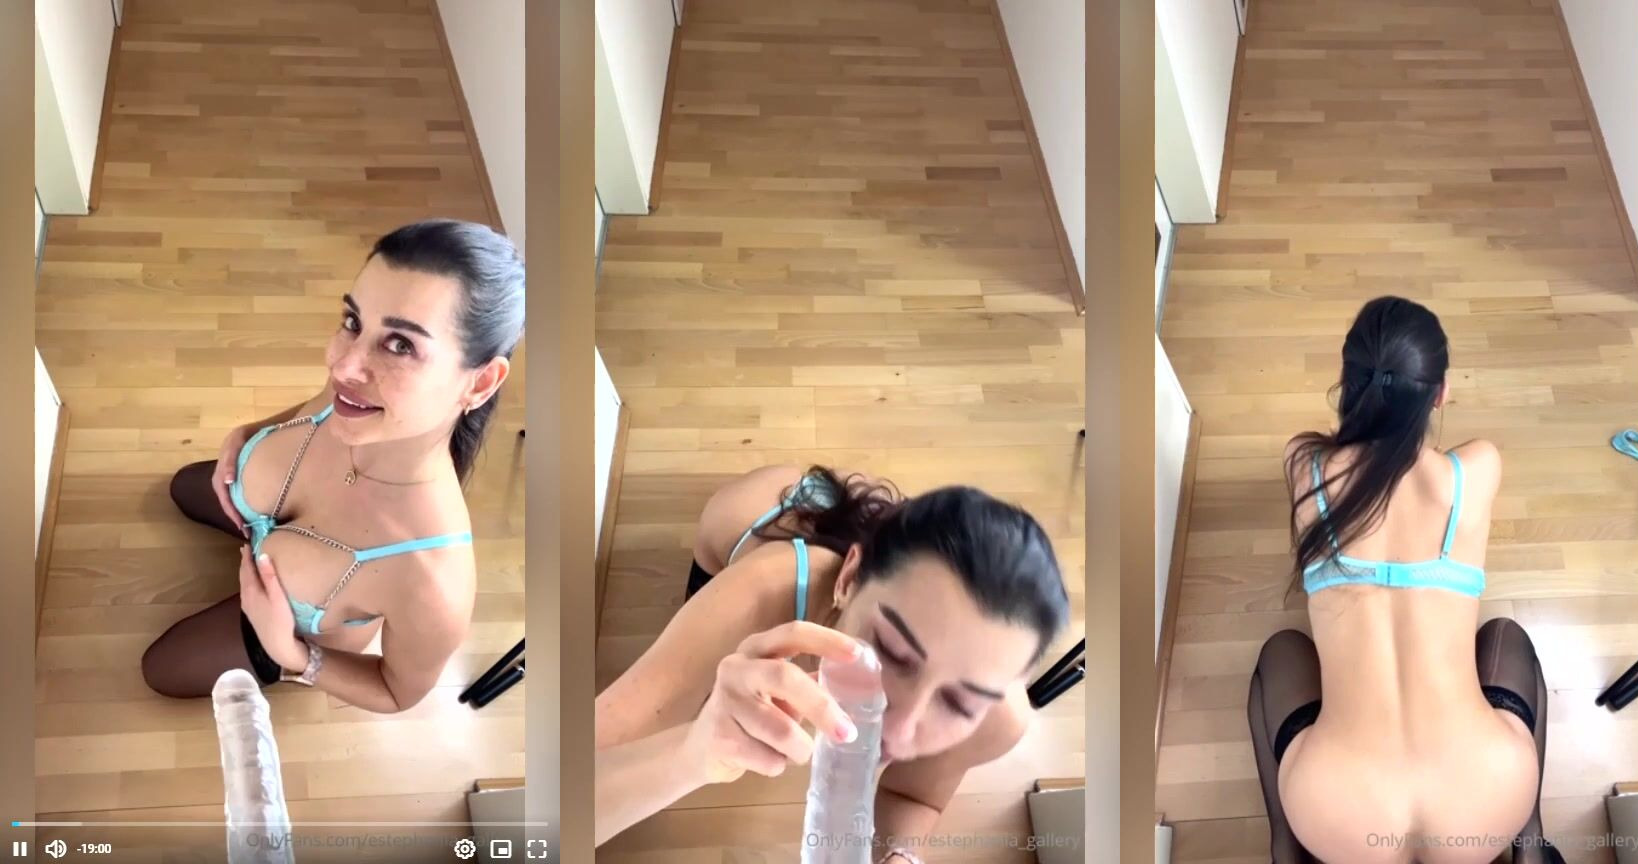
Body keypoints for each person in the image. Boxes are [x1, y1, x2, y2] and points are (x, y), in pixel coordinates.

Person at [141, 219, 525, 714]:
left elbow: (396, 692)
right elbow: (315, 400)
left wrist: (292, 655)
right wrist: (249, 432)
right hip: (257, 523)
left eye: (401, 345)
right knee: (180, 487)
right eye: (353, 321)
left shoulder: (433, 581)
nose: (342, 366)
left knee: (160, 670)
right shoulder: (358, 393)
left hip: (285, 631)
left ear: (480, 383)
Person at [595, 465, 1072, 861]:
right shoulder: (756, 596)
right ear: (848, 580)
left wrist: (902, 855)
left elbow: (914, 796)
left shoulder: (999, 718)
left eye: (959, 703)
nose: (897, 731)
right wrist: (691, 752)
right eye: (892, 651)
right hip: (751, 523)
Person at [1249, 296, 1561, 863]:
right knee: (1506, 637)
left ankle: (1287, 849)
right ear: (1440, 393)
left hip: (1340, 818)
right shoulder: (1475, 470)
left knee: (1281, 652)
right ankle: (1530, 843)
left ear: (1349, 384)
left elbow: (1338, 453)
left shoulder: (1305, 466)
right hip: (1484, 805)